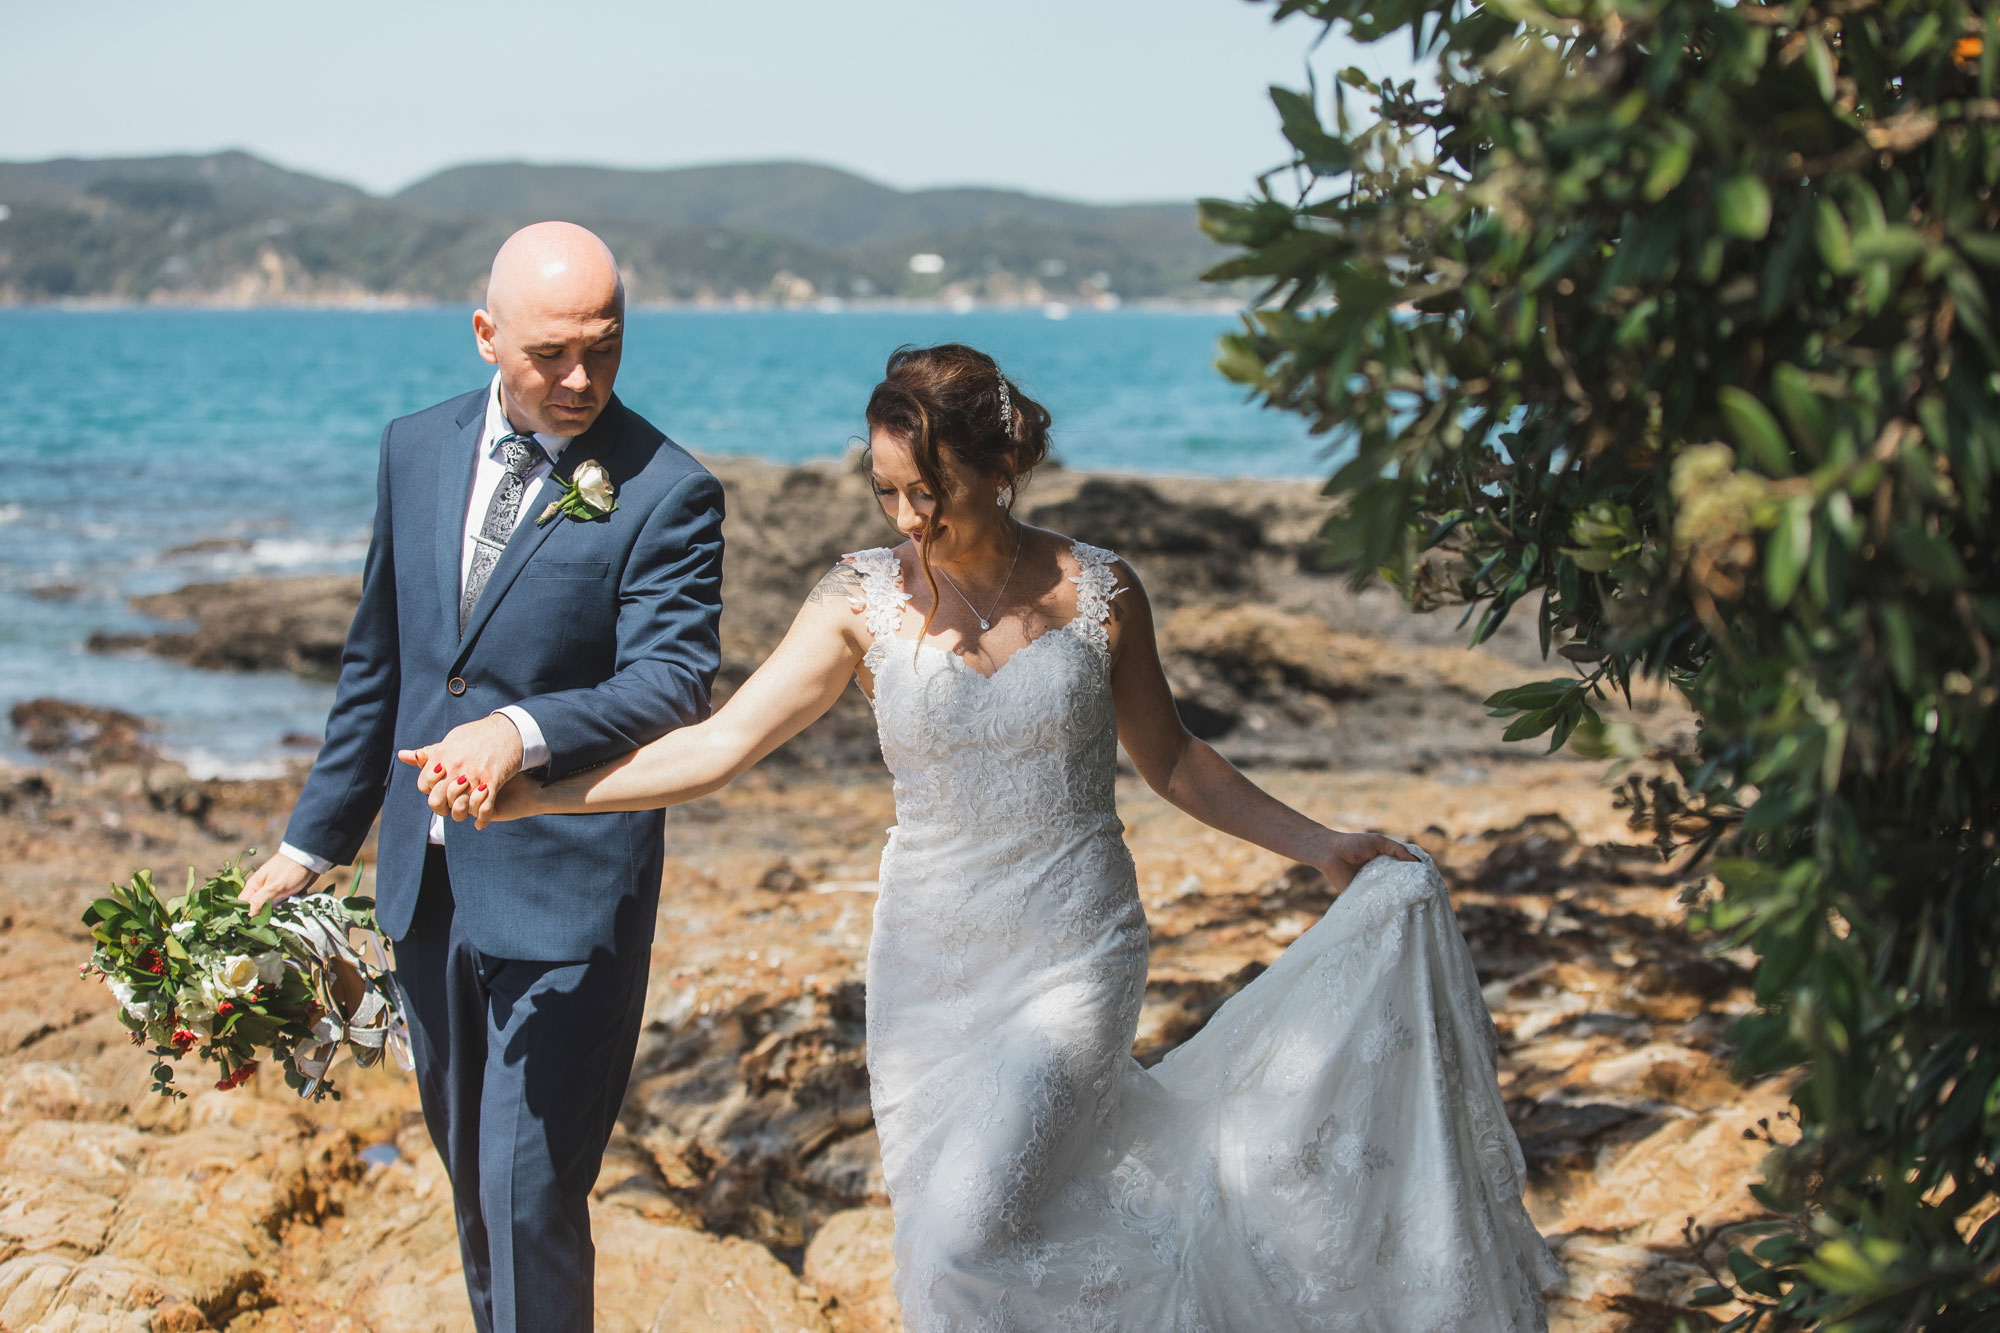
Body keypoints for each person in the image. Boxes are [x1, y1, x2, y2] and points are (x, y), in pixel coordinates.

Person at [412, 343, 1557, 1330]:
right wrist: (530, 790)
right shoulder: (858, 599)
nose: (909, 521)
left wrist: (1319, 844)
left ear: (999, 466)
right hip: (923, 973)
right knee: (948, 1243)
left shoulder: (1100, 593)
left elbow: (1173, 761)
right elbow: (718, 748)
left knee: (967, 1228)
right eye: (886, 494)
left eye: (931, 492)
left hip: (1072, 953)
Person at [240, 223, 726, 1333]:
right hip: (425, 887)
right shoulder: (413, 448)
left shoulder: (667, 489)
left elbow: (673, 681)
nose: (580, 379)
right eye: (552, 353)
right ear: (484, 335)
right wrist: (313, 843)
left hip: (568, 895)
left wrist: (520, 730)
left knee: (530, 1193)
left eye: (604, 350)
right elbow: (384, 666)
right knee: (471, 1185)